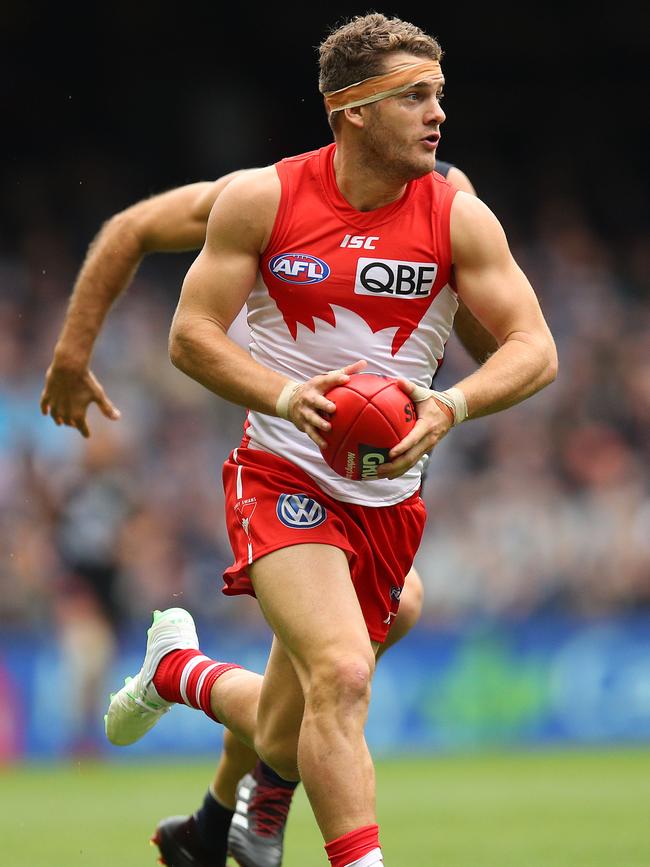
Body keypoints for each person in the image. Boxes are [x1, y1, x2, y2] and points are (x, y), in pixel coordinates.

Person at [50, 13, 558, 867]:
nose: (439, 114)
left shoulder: (458, 215)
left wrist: (449, 406)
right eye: (416, 97)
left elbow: (535, 347)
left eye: (441, 95)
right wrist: (78, 353)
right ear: (353, 110)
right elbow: (183, 326)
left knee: (313, 694)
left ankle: (188, 686)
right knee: (343, 675)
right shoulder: (262, 198)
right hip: (280, 473)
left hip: (390, 500)